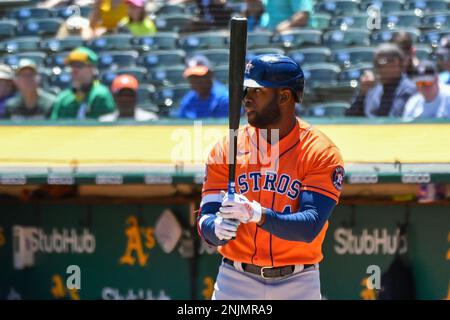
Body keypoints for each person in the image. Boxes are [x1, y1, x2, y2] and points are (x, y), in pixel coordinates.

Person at [197, 54, 345, 300]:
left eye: (258, 91)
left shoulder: (320, 151)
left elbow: (310, 225)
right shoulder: (227, 148)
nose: (247, 98)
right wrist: (217, 228)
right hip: (235, 279)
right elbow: (205, 219)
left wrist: (257, 214)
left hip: (298, 282)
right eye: (246, 90)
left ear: (285, 96)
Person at [345, 43, 416, 117]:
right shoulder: (372, 88)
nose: (376, 68)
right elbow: (350, 119)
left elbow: (394, 120)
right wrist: (362, 95)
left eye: (380, 63)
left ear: (396, 63)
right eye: (375, 63)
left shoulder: (408, 90)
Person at [51, 47, 116, 120]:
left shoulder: (100, 94)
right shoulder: (64, 98)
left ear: (92, 69)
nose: (74, 69)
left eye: (79, 65)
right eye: (72, 65)